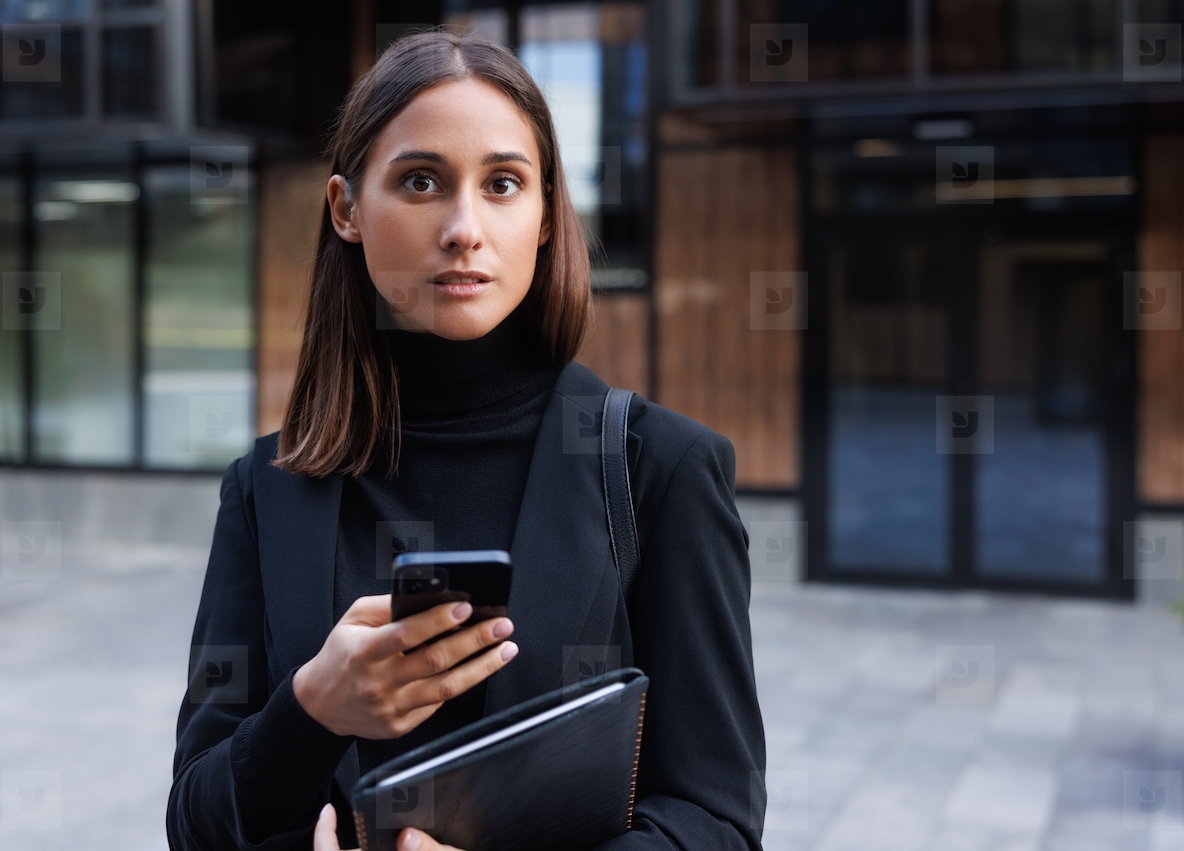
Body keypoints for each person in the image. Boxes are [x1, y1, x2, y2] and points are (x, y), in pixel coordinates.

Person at [166, 29, 766, 851]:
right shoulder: (265, 486)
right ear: (345, 209)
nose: (463, 227)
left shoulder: (659, 469)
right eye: (420, 181)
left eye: (504, 184)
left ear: (548, 213)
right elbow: (193, 823)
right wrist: (309, 711)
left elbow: (716, 822)